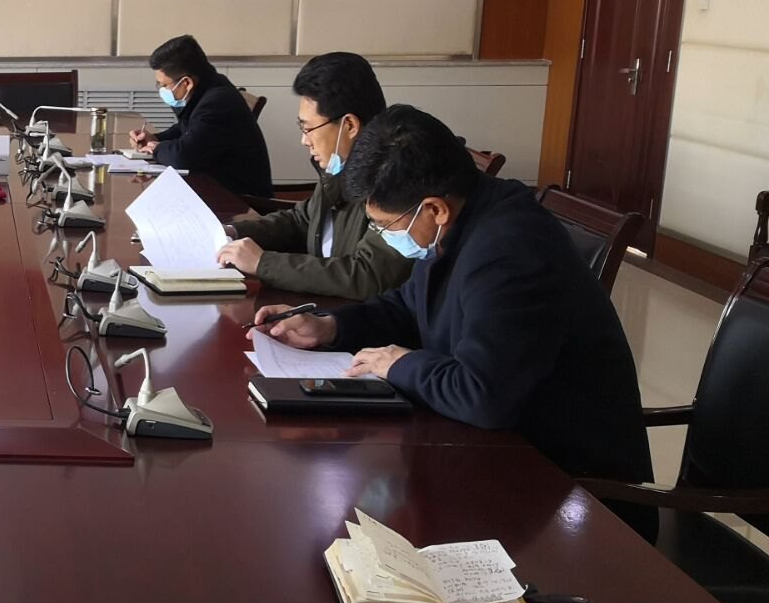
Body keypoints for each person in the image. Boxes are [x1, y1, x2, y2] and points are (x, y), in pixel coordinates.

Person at [255, 104, 651, 488]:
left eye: (383, 225)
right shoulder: (462, 215)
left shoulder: (510, 250)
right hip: (496, 450)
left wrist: (401, 364)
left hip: (568, 483)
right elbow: (411, 305)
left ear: (434, 210)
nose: (382, 236)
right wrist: (330, 327)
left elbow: (483, 395)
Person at [215, 52, 413, 301]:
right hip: (321, 302)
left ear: (349, 126)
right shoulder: (339, 165)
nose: (304, 140)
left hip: (350, 312)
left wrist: (263, 263)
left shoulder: (393, 178)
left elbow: (367, 276)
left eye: (308, 128)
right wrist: (233, 233)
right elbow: (303, 220)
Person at [126, 34, 271, 198]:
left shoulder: (218, 102)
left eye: (164, 85)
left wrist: (157, 149)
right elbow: (187, 128)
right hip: (214, 189)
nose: (161, 89)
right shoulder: (209, 86)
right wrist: (155, 138)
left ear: (187, 83)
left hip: (238, 202)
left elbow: (182, 157)